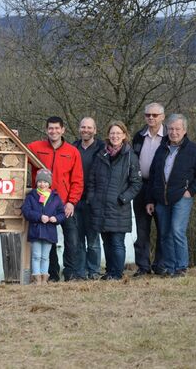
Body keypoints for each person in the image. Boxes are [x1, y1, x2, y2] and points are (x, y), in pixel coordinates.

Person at [146, 114, 196, 277]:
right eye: (171, 129)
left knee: (177, 231)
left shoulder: (195, 150)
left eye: (177, 129)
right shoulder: (162, 148)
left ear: (184, 130)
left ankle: (181, 267)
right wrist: (150, 200)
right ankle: (169, 267)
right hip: (161, 199)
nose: (174, 132)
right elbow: (153, 175)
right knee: (165, 233)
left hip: (181, 197)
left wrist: (190, 191)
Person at [27, 116, 84, 281]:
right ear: (46, 130)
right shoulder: (36, 147)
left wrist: (72, 202)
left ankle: (71, 273)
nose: (54, 131)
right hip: (44, 205)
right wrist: (13, 137)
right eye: (50, 128)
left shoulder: (72, 152)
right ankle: (51, 274)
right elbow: (19, 151)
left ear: (63, 130)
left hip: (64, 203)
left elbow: (78, 179)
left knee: (72, 239)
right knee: (47, 240)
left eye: (57, 128)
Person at [87, 121, 142, 280]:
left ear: (124, 135)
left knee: (117, 242)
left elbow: (137, 183)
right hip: (100, 207)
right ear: (108, 135)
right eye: (112, 133)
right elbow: (92, 179)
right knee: (106, 242)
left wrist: (123, 198)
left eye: (118, 133)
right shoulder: (101, 154)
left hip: (118, 207)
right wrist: (92, 198)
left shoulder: (130, 156)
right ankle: (109, 272)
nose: (115, 136)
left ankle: (117, 273)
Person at [131, 103, 169, 277]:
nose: (151, 118)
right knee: (141, 229)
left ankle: (161, 265)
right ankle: (143, 266)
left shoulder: (170, 136)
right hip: (141, 186)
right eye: (148, 115)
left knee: (163, 229)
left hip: (162, 188)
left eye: (155, 115)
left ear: (162, 116)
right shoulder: (139, 136)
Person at [73, 117, 105, 279]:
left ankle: (93, 271)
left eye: (89, 127)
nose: (86, 130)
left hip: (94, 200)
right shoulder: (73, 147)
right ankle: (80, 272)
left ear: (95, 130)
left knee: (93, 240)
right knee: (77, 239)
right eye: (83, 127)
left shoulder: (102, 148)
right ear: (79, 129)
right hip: (75, 200)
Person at [21, 169, 65, 285]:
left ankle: (44, 278)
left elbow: (61, 213)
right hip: (35, 231)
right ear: (37, 183)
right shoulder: (31, 196)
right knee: (36, 255)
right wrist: (39, 217)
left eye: (45, 182)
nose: (42, 184)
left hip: (49, 232)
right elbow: (26, 211)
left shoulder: (55, 197)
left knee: (45, 256)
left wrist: (56, 219)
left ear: (49, 183)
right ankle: (37, 279)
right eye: (40, 182)